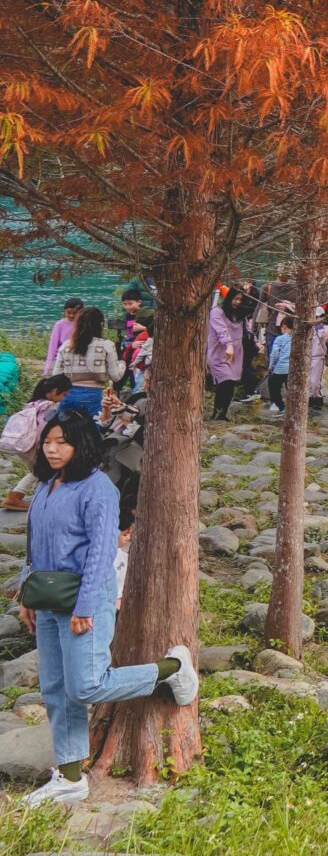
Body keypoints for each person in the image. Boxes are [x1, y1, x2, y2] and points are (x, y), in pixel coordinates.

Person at [12, 406, 196, 808]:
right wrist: (25, 597)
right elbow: (33, 546)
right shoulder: (47, 487)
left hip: (85, 601)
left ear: (83, 445)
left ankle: (172, 670)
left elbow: (100, 550)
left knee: (87, 685)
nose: (53, 449)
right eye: (48, 442)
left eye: (62, 442)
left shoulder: (98, 489)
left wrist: (84, 606)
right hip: (47, 600)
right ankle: (71, 777)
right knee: (56, 690)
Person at [1, 376, 69, 514]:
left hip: (23, 445)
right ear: (55, 391)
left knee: (36, 472)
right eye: (64, 394)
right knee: (46, 472)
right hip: (35, 445)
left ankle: (15, 496)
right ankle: (40, 499)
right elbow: (44, 429)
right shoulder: (49, 406)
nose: (64, 398)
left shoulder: (33, 404)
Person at [59, 309, 117, 420]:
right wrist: (122, 364)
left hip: (68, 394)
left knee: (65, 430)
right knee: (92, 432)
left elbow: (57, 373)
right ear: (100, 324)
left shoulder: (67, 345)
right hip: (93, 395)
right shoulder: (106, 345)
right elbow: (115, 376)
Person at [204, 287, 250, 422]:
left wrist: (256, 342)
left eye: (240, 299)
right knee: (225, 381)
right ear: (229, 298)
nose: (237, 302)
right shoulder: (217, 312)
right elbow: (221, 331)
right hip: (219, 352)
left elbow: (246, 330)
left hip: (235, 354)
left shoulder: (240, 315)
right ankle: (217, 413)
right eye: (235, 299)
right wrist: (229, 345)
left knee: (230, 384)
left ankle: (222, 414)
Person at [263, 310, 296, 412]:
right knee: (291, 390)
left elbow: (274, 354)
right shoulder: (298, 338)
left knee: (273, 387)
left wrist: (270, 368)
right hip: (292, 369)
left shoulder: (280, 339)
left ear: (284, 327)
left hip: (279, 369)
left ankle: (280, 406)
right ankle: (293, 408)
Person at [41, 298, 78, 374]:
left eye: (75, 313)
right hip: (62, 358)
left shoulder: (84, 324)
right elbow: (52, 346)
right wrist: (47, 368)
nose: (71, 315)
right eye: (68, 312)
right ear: (64, 311)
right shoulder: (59, 325)